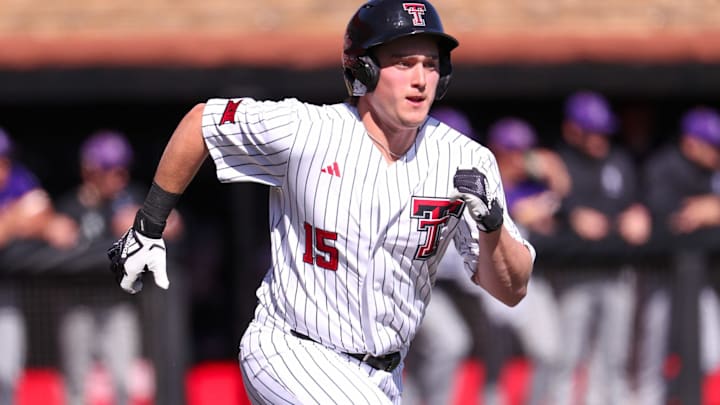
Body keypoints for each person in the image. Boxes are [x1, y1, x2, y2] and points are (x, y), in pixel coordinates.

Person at [106, 1, 535, 403]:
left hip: (384, 376)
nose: (420, 79)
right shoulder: (308, 131)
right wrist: (147, 227)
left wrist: (493, 227)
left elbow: (512, 290)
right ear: (363, 69)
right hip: (289, 349)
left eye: (430, 64)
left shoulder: (467, 160)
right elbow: (203, 122)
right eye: (404, 64)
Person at [55, 130, 183, 405]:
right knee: (76, 385)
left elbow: (176, 223)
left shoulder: (130, 198)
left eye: (122, 169)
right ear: (90, 170)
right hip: (78, 304)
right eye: (110, 170)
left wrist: (141, 225)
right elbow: (53, 238)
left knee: (124, 383)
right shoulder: (71, 206)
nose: (118, 176)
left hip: (118, 305)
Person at [544, 90, 651, 405]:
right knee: (564, 357)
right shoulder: (557, 161)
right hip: (570, 274)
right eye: (592, 131)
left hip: (616, 271)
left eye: (603, 130)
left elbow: (635, 206)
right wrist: (568, 211)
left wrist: (638, 214)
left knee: (614, 359)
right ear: (572, 129)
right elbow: (524, 178)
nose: (599, 138)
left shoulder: (617, 161)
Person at [636, 106, 720, 405]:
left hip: (702, 279)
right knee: (653, 351)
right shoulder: (663, 166)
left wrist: (713, 210)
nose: (716, 153)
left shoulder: (712, 172)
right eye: (712, 146)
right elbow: (669, 217)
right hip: (660, 274)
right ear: (691, 142)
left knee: (709, 352)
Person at [0, 127, 77, 405]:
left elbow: (50, 222)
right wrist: (13, 220)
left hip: (5, 294)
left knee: (6, 373)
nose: (2, 168)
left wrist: (24, 222)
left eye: (4, 160)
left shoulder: (19, 180)